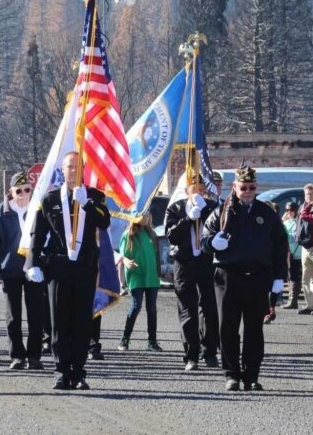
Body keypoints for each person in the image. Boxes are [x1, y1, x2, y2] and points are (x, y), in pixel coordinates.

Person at [202, 164, 288, 392]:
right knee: (228, 328)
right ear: (235, 187)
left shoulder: (266, 212)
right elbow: (204, 240)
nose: (248, 191)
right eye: (244, 187)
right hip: (228, 276)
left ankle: (251, 375)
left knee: (254, 329)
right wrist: (212, 243)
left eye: (252, 187)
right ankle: (231, 374)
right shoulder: (221, 212)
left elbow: (280, 245)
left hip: (258, 277)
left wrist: (280, 277)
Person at [30, 151, 111, 391]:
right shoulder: (50, 199)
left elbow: (104, 222)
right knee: (59, 321)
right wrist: (33, 262)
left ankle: (79, 371)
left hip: (85, 267)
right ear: (62, 170)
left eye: (77, 167)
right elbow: (38, 233)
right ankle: (61, 370)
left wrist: (86, 202)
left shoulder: (95, 196)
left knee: (82, 322)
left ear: (83, 169)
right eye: (69, 167)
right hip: (58, 267)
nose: (73, 171)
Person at [0, 173, 45, 371]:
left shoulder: (38, 210)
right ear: (10, 192)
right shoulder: (0, 212)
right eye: (18, 190)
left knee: (36, 314)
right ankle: (17, 355)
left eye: (27, 189)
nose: (23, 194)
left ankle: (34, 356)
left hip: (35, 268)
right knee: (13, 315)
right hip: (10, 269)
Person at [164, 174, 219, 370]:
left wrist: (203, 212)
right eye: (194, 186)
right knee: (188, 309)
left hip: (206, 262)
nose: (199, 190)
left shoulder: (213, 208)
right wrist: (189, 218)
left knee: (210, 307)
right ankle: (191, 355)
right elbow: (172, 236)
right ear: (186, 189)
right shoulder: (176, 208)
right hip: (184, 262)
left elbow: (218, 230)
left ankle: (210, 351)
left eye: (202, 186)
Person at [117, 214, 163, 352]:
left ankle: (152, 342)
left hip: (151, 276)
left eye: (148, 215)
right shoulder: (129, 234)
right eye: (142, 215)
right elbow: (122, 254)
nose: (146, 218)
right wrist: (126, 261)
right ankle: (125, 339)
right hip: (136, 275)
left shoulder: (151, 234)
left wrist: (161, 271)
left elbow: (156, 255)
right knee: (136, 306)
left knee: (152, 309)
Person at [264, 201, 301, 323]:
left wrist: (283, 264)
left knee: (273, 287)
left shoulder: (280, 225)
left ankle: (271, 309)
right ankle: (264, 310)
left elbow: (284, 245)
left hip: (274, 260)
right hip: (259, 261)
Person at [297, 184, 313, 315]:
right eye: (306, 194)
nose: (308, 196)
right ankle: (310, 305)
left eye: (311, 194)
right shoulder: (302, 206)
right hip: (304, 246)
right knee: (306, 277)